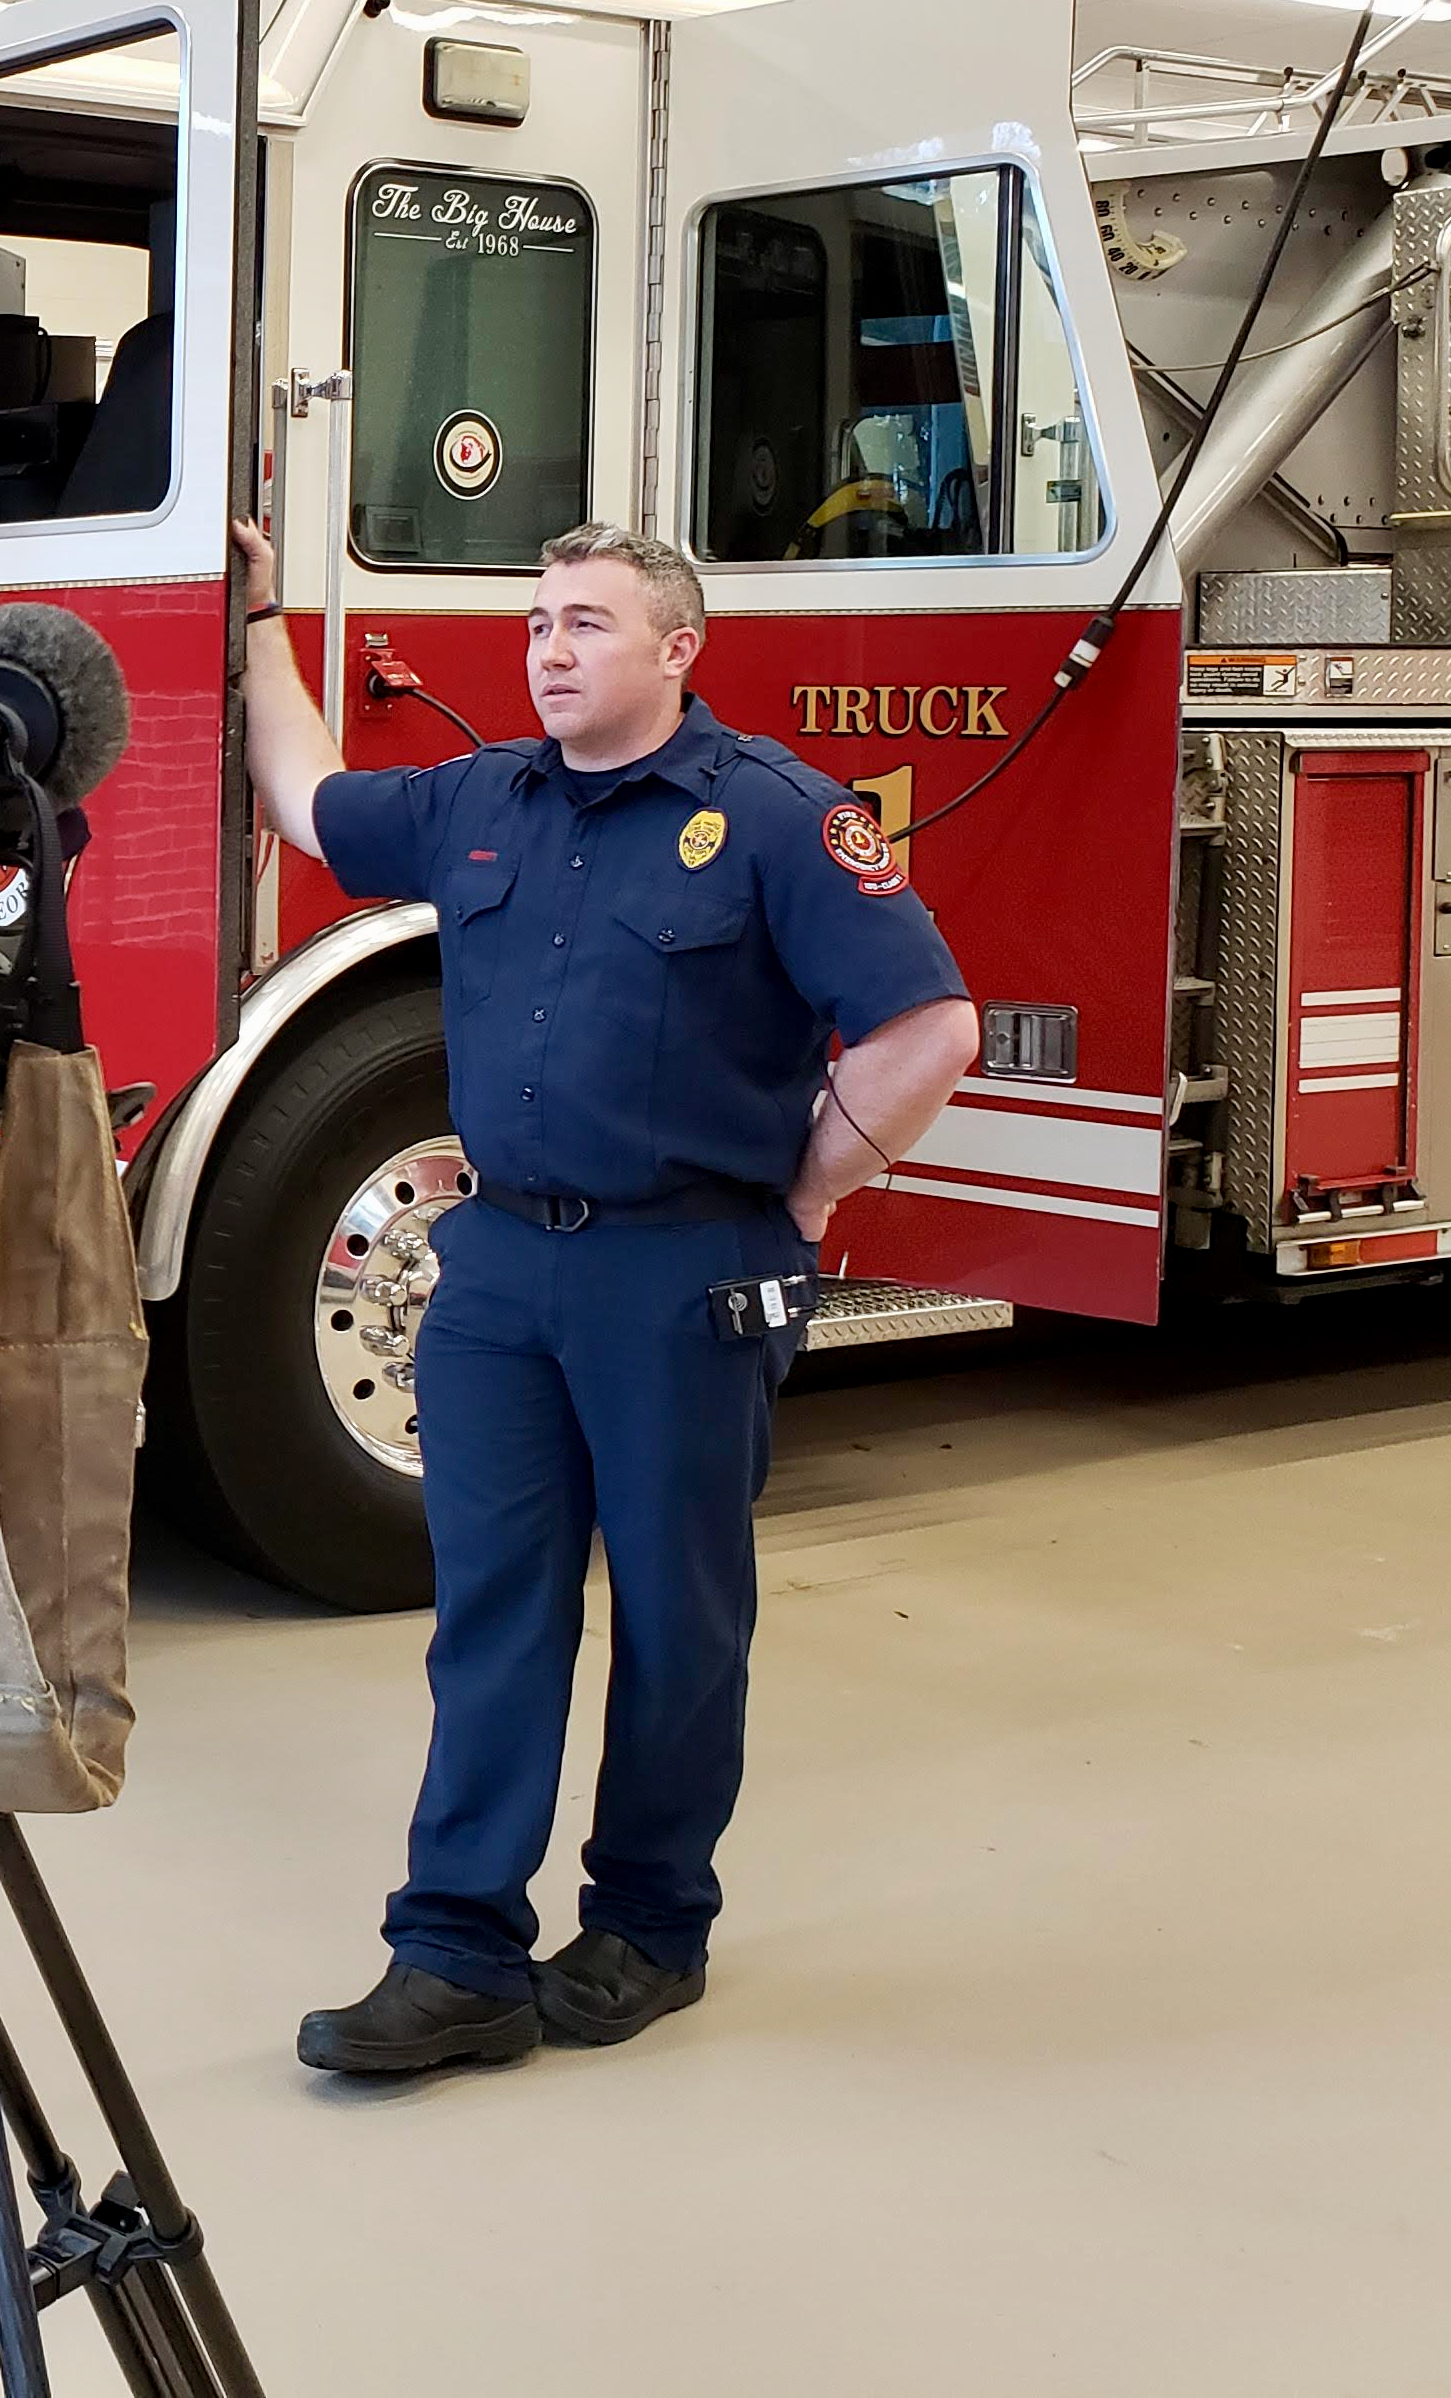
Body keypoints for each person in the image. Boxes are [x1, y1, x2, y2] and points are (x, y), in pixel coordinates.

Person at [230, 513, 977, 2075]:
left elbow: (931, 1028)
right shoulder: (480, 800)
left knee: (677, 1613)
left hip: (686, 1271)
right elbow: (305, 799)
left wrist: (809, 1183)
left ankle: (648, 1921)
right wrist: (255, 624)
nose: (549, 650)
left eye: (586, 623)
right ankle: (457, 1954)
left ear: (678, 648)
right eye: (538, 624)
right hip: (498, 1268)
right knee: (492, 1612)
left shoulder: (774, 817)